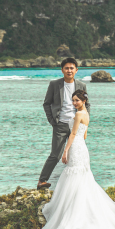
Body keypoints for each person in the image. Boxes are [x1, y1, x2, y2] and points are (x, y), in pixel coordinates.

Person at [37, 89, 115, 229]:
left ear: (83, 101)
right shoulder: (86, 114)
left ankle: (72, 214)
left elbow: (73, 134)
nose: (74, 103)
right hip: (83, 148)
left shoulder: (78, 115)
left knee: (73, 176)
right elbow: (85, 135)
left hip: (76, 147)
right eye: (73, 100)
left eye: (77, 100)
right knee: (82, 178)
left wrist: (66, 151)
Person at [38, 58, 89, 190]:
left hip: (77, 125)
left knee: (78, 154)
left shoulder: (81, 85)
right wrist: (52, 120)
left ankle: (79, 185)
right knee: (55, 155)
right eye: (66, 68)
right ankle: (42, 181)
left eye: (72, 68)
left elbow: (86, 105)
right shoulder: (54, 84)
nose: (69, 70)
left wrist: (85, 126)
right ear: (62, 70)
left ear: (76, 70)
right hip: (60, 124)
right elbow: (46, 103)